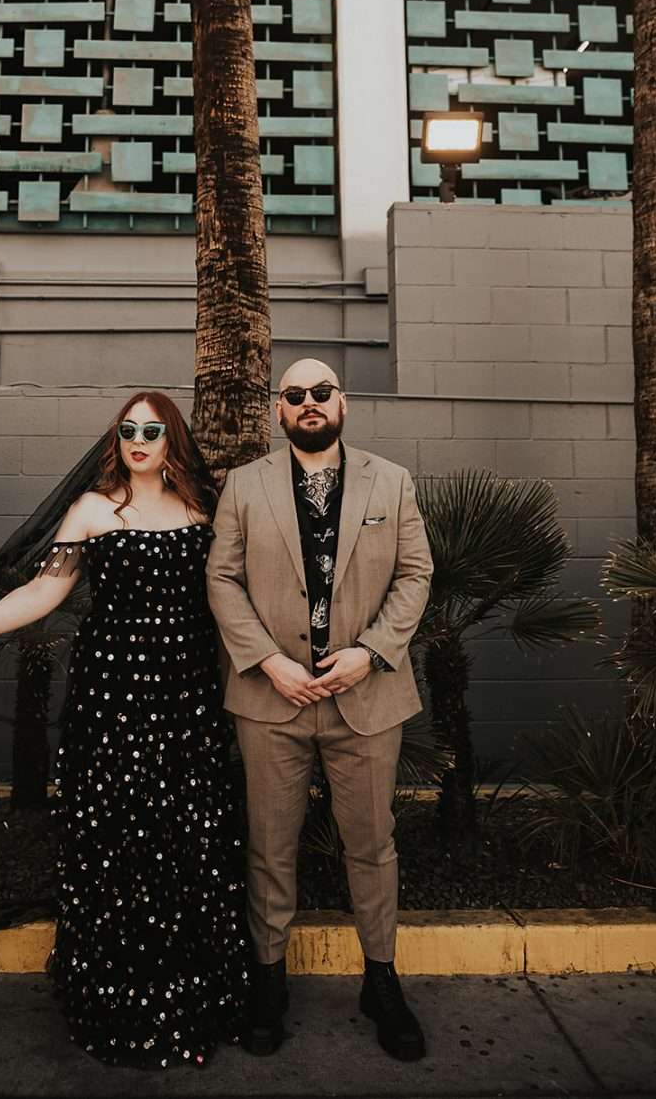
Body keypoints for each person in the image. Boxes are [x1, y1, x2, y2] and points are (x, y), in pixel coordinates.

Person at [0, 392, 249, 1069]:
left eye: (153, 429)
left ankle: (193, 999)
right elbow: (44, 591)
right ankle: (116, 1002)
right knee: (119, 834)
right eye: (128, 429)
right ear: (116, 438)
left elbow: (238, 589)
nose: (139, 438)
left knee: (188, 831)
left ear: (172, 438)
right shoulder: (93, 510)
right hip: (114, 698)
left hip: (186, 699)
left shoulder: (206, 510)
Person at [206, 359, 433, 1063]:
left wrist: (371, 652)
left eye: (322, 392)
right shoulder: (243, 486)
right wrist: (267, 661)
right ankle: (267, 982)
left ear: (344, 403)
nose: (309, 402)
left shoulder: (390, 481)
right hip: (271, 702)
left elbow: (415, 573)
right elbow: (222, 576)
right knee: (269, 849)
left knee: (372, 845)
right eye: (295, 394)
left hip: (366, 699)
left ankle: (382, 980)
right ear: (279, 411)